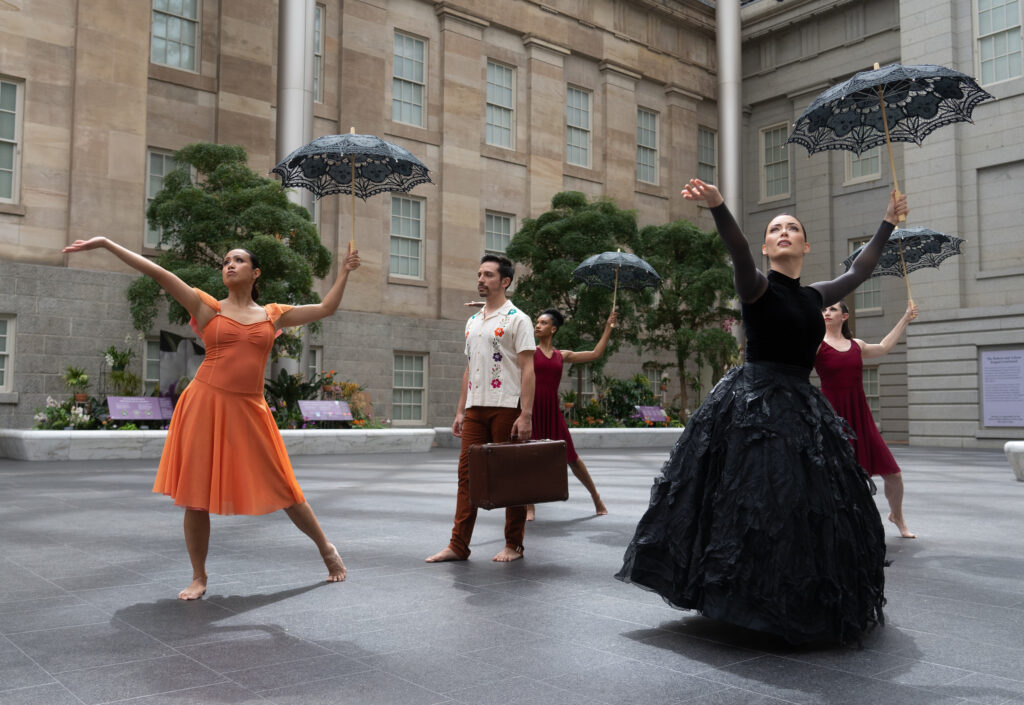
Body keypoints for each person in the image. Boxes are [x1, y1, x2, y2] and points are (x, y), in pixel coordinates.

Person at [616, 178, 907, 644]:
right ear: (769, 246)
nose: (784, 232)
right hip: (751, 402)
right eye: (776, 229)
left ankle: (792, 596)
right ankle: (743, 595)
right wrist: (718, 207)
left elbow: (860, 271)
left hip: (800, 404)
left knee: (800, 505)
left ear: (807, 245)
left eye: (793, 228)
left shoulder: (816, 296)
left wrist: (887, 223)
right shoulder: (756, 287)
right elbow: (738, 250)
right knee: (748, 500)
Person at [62, 237, 360, 599]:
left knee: (285, 486)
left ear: (255, 272)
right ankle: (199, 576)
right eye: (225, 261)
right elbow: (157, 271)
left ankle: (327, 550)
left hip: (250, 409)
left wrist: (343, 272)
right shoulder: (208, 308)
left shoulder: (273, 314)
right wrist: (107, 244)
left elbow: (327, 308)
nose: (229, 265)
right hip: (204, 403)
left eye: (238, 260)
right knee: (196, 494)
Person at [426, 254, 536, 563]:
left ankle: (514, 544)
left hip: (507, 407)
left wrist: (525, 414)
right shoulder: (473, 321)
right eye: (478, 274)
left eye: (488, 275)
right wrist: (460, 411)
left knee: (510, 477)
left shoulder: (518, 319)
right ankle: (458, 545)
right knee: (467, 477)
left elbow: (528, 369)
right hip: (476, 409)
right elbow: (469, 368)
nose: (480, 279)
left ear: (505, 281)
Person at [817, 299, 919, 538]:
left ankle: (897, 516)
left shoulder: (856, 345)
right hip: (832, 418)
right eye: (824, 309)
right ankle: (837, 527)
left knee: (893, 474)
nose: (826, 312)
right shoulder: (817, 345)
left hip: (861, 417)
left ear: (844, 316)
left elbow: (884, 347)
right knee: (837, 476)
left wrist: (905, 318)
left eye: (833, 309)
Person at [525, 308, 616, 520]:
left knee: (572, 458)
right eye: (537, 322)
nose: (537, 326)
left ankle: (596, 497)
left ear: (553, 329)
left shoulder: (561, 355)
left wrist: (608, 327)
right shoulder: (528, 352)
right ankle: (529, 506)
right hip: (531, 410)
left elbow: (595, 353)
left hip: (552, 412)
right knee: (527, 459)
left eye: (543, 323)